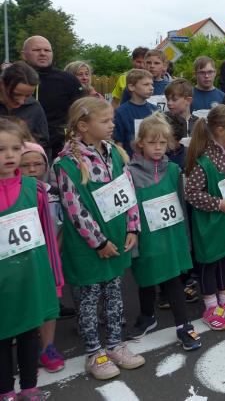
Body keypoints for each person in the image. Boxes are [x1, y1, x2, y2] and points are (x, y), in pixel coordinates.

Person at [53, 98, 145, 380]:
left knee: (115, 293)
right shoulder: (66, 163)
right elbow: (75, 209)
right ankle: (94, 352)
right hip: (89, 246)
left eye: (111, 120)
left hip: (117, 237)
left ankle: (116, 344)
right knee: (89, 299)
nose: (112, 125)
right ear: (83, 126)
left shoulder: (115, 152)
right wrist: (99, 242)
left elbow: (127, 192)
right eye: (105, 121)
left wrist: (133, 227)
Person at [125, 114, 200, 351]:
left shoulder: (175, 170)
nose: (158, 148)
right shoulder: (129, 172)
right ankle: (147, 316)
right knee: (146, 278)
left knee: (173, 279)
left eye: (162, 143)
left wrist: (185, 239)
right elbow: (128, 208)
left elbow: (181, 206)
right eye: (151, 142)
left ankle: (183, 325)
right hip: (146, 237)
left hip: (171, 236)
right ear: (140, 143)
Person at [0, 119, 60, 400]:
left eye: (15, 148)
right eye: (1, 149)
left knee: (27, 332)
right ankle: (5, 390)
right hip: (3, 281)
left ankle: (29, 386)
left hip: (30, 276)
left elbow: (47, 235)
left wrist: (53, 274)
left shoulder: (34, 189)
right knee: (2, 336)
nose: (10, 155)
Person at [184, 105, 225, 331]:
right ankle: (210, 307)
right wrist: (217, 204)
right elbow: (191, 193)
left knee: (224, 260)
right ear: (221, 131)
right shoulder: (203, 160)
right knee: (208, 265)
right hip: (209, 224)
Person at [19, 141, 69, 376]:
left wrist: (55, 252)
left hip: (49, 256)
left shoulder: (53, 194)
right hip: (21, 260)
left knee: (49, 303)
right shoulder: (14, 195)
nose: (32, 169)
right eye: (25, 165)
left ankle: (48, 346)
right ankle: (25, 347)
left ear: (46, 166)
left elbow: (62, 226)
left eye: (37, 164)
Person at [21, 35, 83, 159]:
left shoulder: (68, 80)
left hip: (59, 149)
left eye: (47, 50)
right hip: (19, 148)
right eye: (36, 50)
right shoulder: (11, 80)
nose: (43, 53)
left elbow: (81, 113)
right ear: (24, 55)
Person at [0, 62, 49, 150]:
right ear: (2, 84)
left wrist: (29, 140)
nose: (21, 101)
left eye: (28, 96)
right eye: (16, 94)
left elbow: (44, 143)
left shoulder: (34, 106)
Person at [113, 69, 158, 157]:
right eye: (146, 84)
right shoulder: (120, 112)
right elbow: (119, 142)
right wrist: (123, 161)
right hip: (131, 160)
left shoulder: (155, 110)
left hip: (153, 159)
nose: (151, 88)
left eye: (152, 84)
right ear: (131, 87)